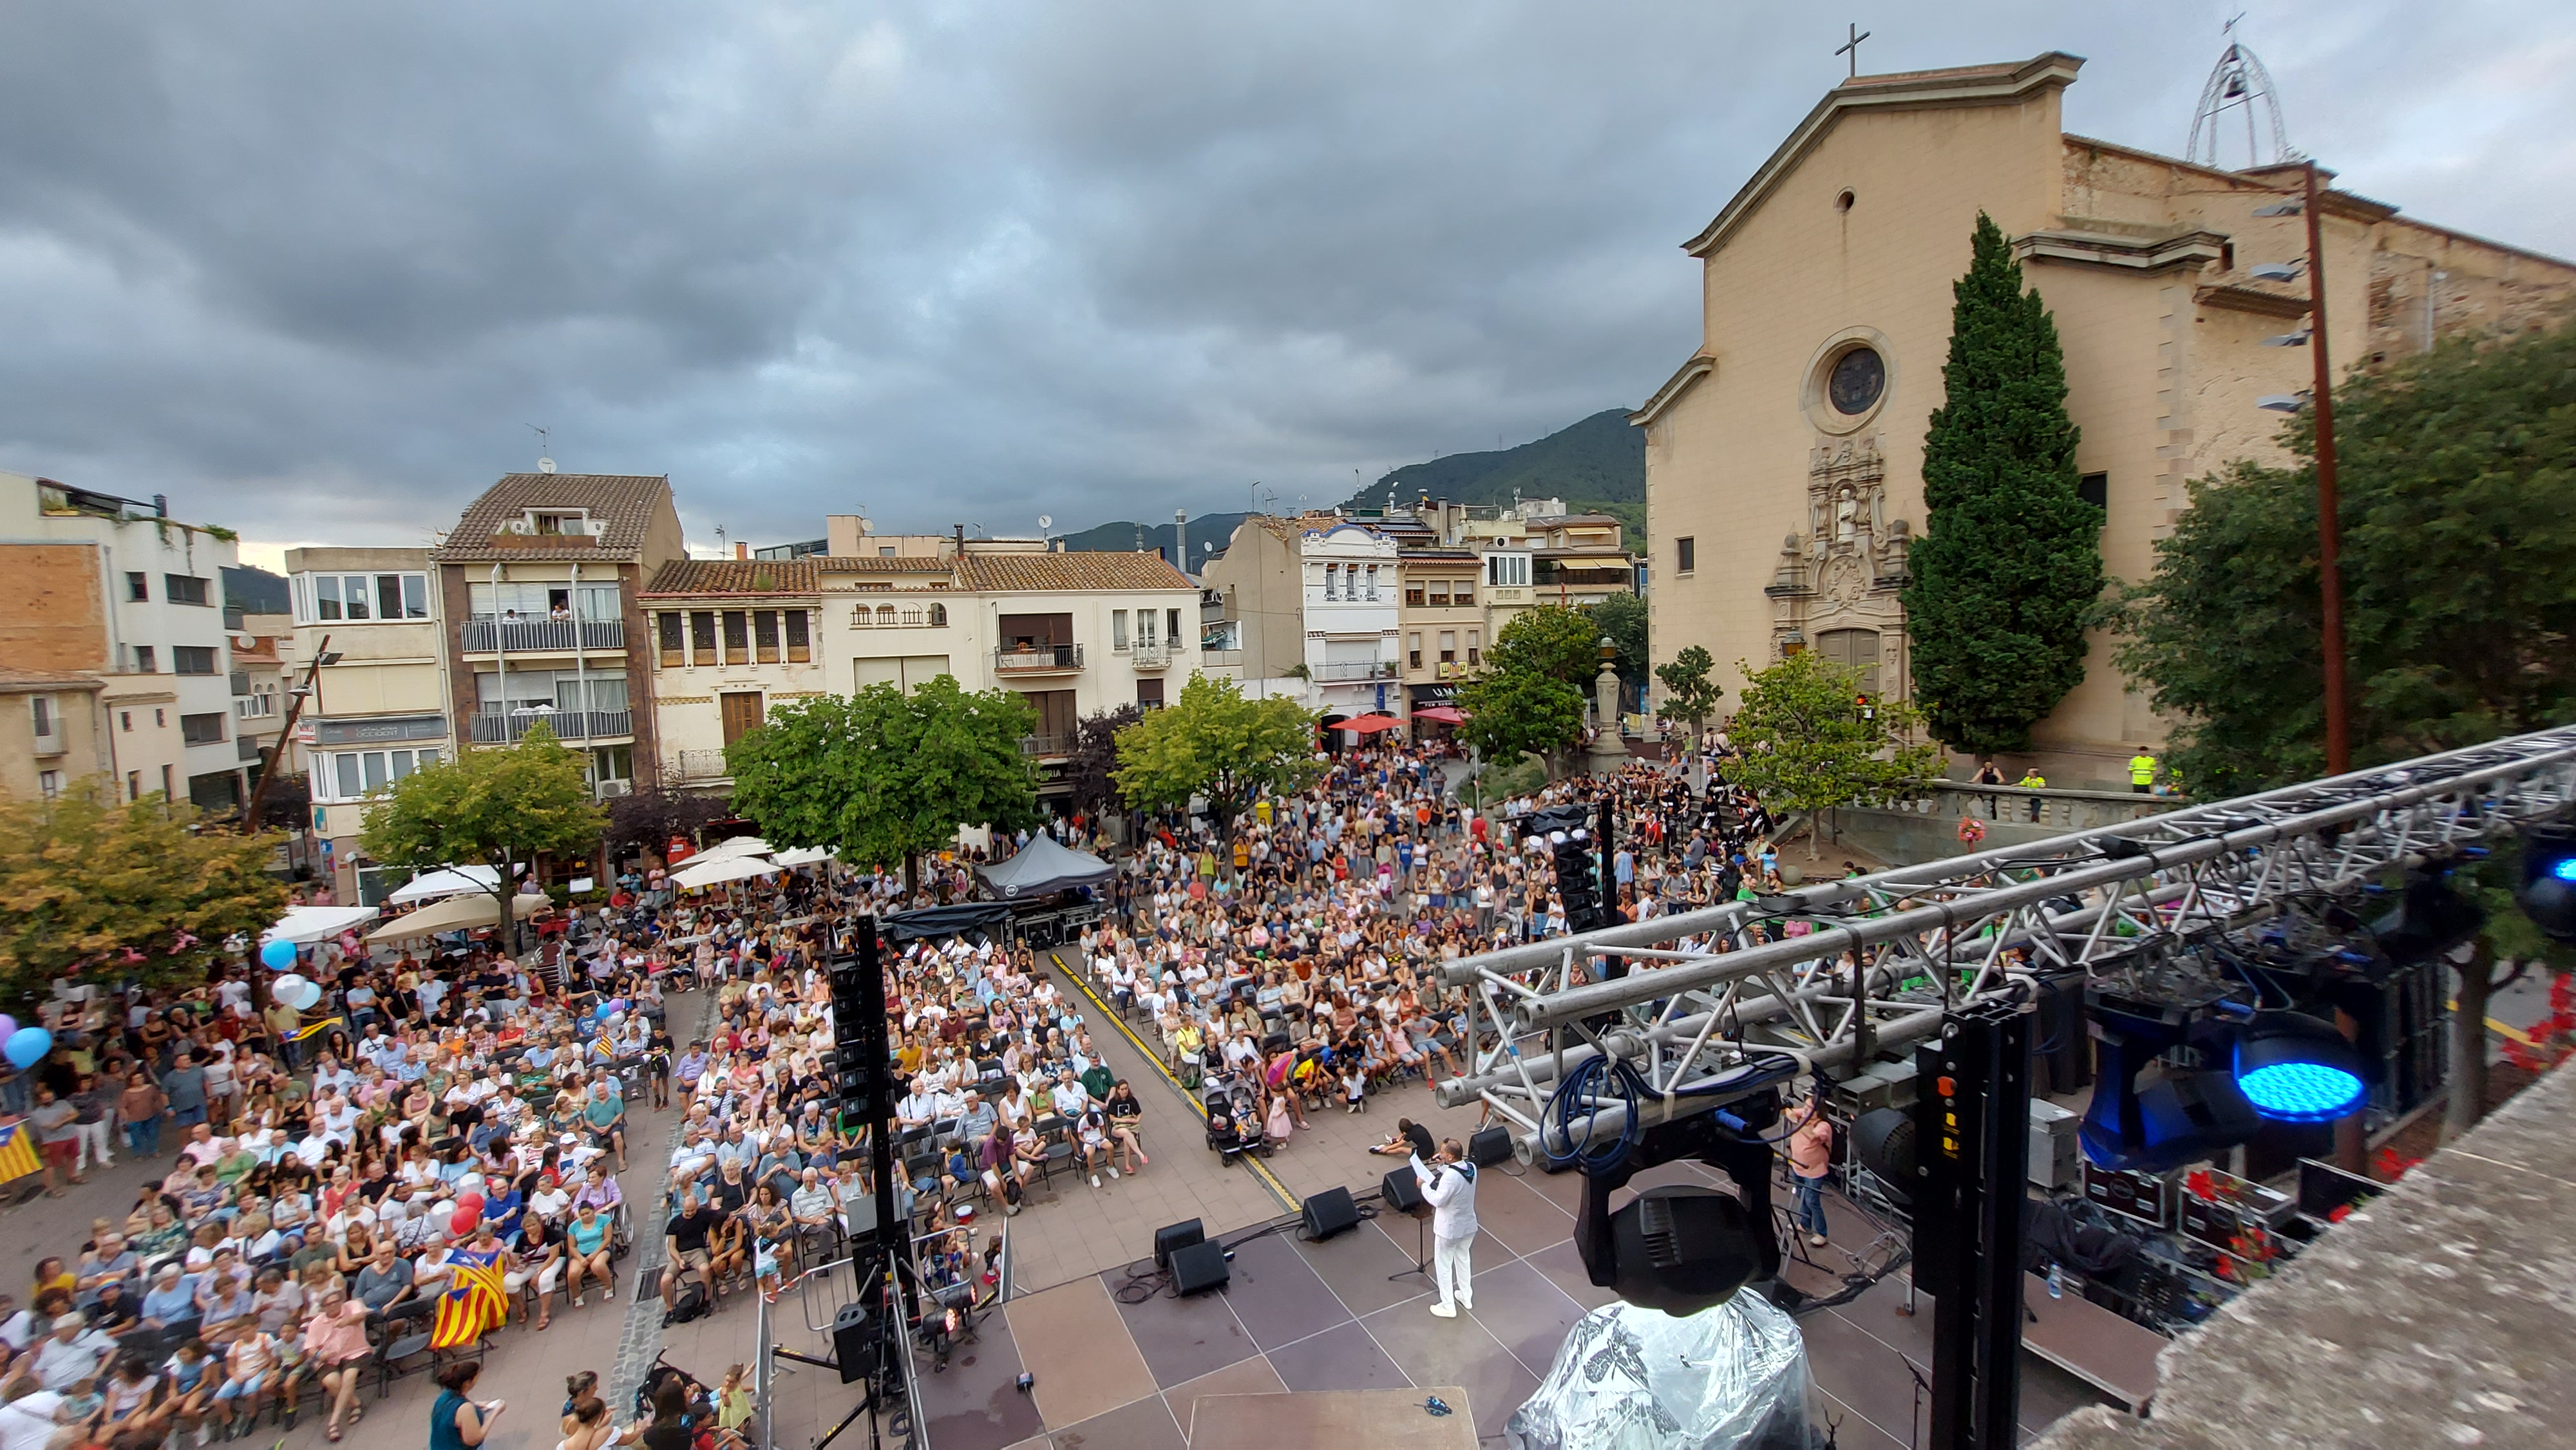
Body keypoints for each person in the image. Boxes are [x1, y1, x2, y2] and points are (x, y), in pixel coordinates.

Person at [1411, 1137, 1479, 1318]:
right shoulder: (1472, 1168)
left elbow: (1438, 1200)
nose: (1439, 1154)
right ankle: (1466, 1296)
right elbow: (1455, 1176)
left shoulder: (1450, 1177)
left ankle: (1448, 1306)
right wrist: (1442, 1165)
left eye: (1442, 1153)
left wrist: (1424, 1186)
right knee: (1463, 1259)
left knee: (1444, 1266)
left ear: (1450, 1156)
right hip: (1468, 1226)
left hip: (1450, 1229)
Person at [301, 1286, 372, 1442]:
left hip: (355, 1351)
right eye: (329, 1304)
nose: (334, 1306)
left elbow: (361, 1316)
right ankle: (356, 1404)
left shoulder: (352, 1306)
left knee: (349, 1376)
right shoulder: (317, 1323)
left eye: (336, 1301)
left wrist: (345, 1321)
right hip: (330, 1357)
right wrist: (320, 1354)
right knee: (331, 1381)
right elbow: (309, 1348)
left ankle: (333, 1422)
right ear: (323, 1307)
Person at [1785, 1093, 1834, 1248]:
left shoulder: (1822, 1126)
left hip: (1814, 1171)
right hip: (1798, 1166)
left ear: (1817, 1112)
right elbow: (1789, 1111)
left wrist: (1798, 1122)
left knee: (1812, 1201)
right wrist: (1786, 1109)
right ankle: (1805, 1224)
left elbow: (1813, 1137)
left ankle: (1821, 1233)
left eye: (1808, 1108)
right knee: (1801, 1194)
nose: (1804, 1110)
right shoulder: (1805, 1115)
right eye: (1804, 1107)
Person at [430, 1361, 503, 1450]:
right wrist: (496, 1413)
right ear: (468, 1383)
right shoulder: (466, 1409)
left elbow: (453, 1415)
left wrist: (476, 1406)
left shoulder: (444, 1397)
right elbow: (473, 1440)